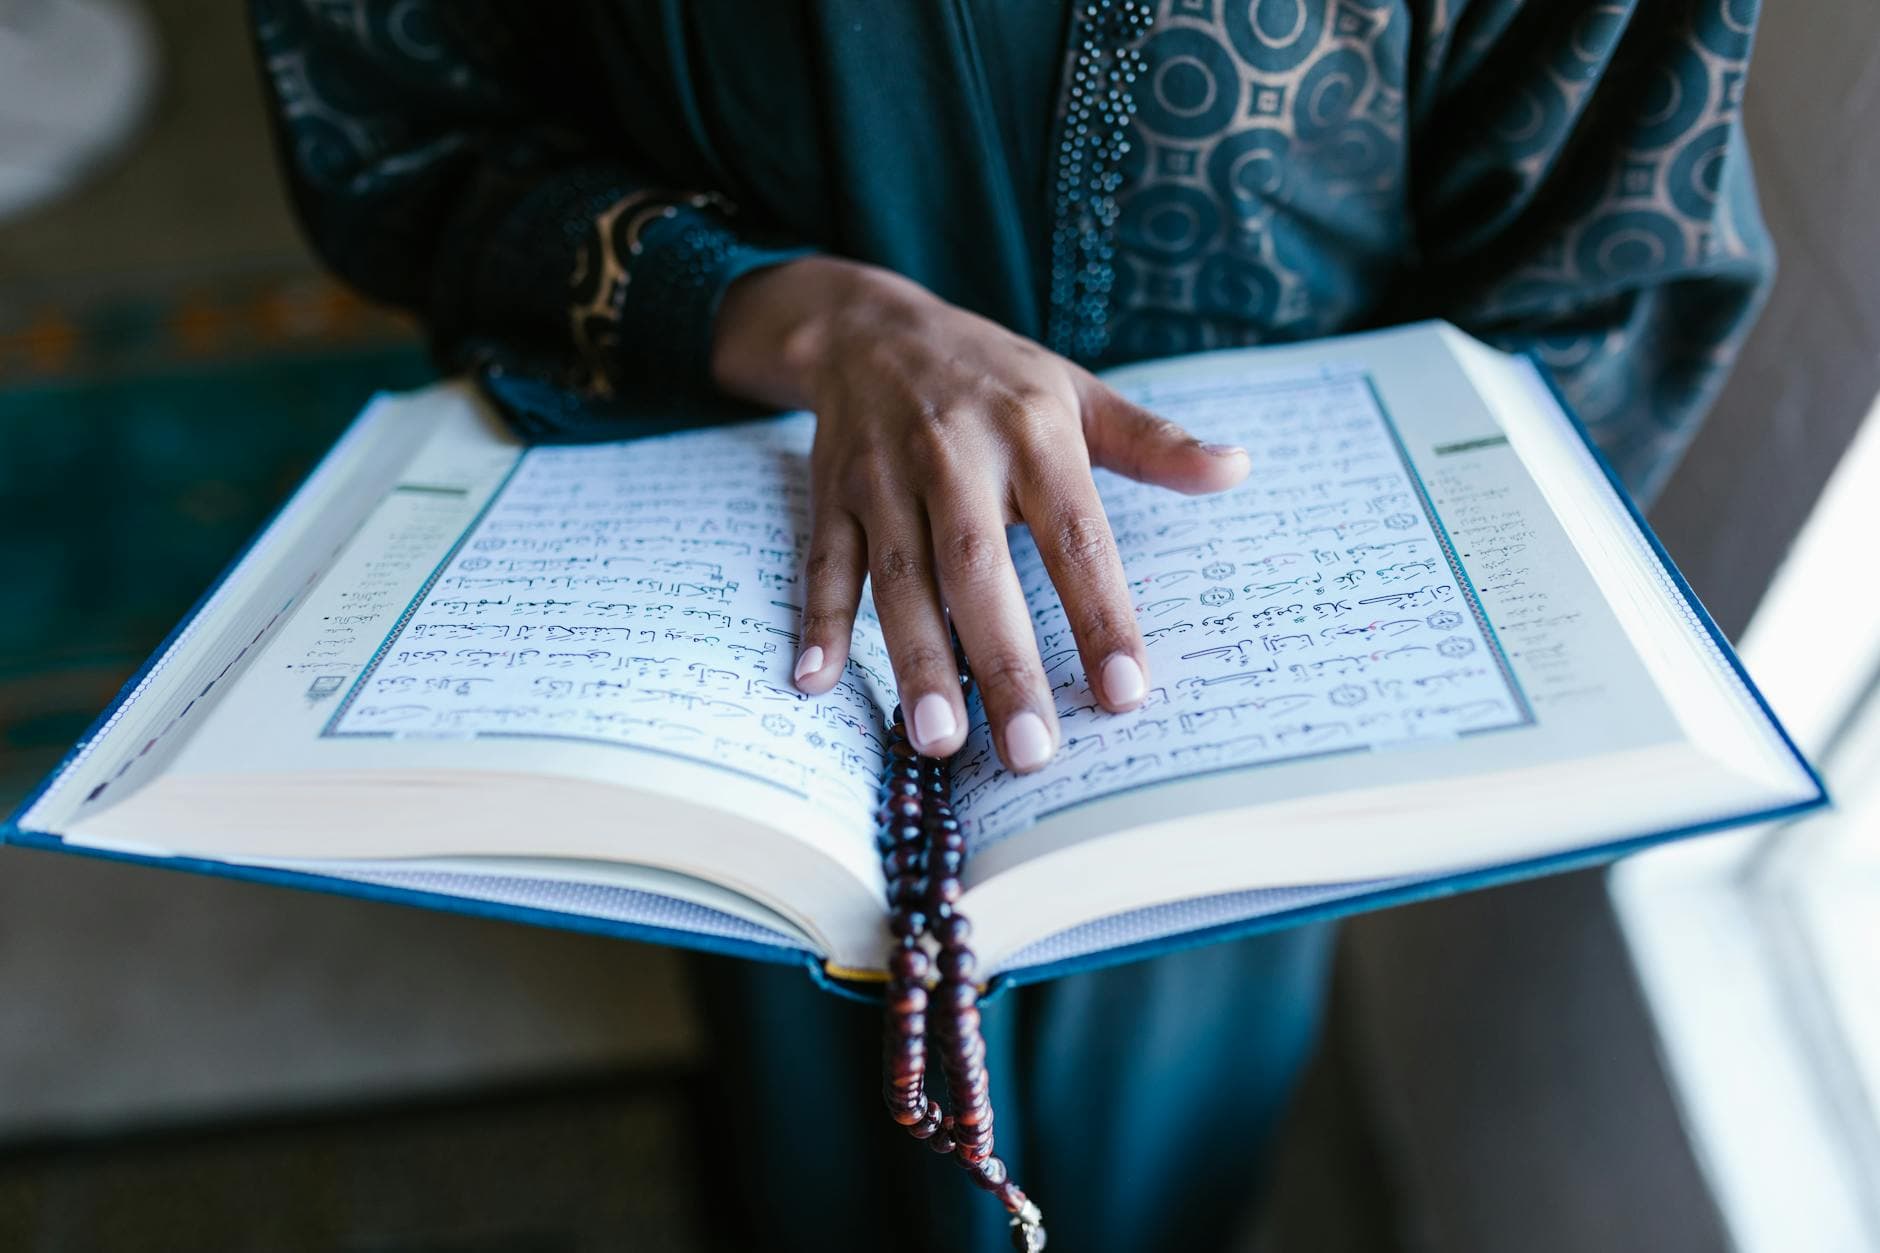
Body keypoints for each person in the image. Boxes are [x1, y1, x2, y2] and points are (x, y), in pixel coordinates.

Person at [252, 3, 1771, 1248]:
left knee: (1164, 1123)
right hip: (757, 600)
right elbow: (402, 127)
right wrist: (777, 308)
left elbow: (1608, 267)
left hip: (1230, 685)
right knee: (811, 1086)